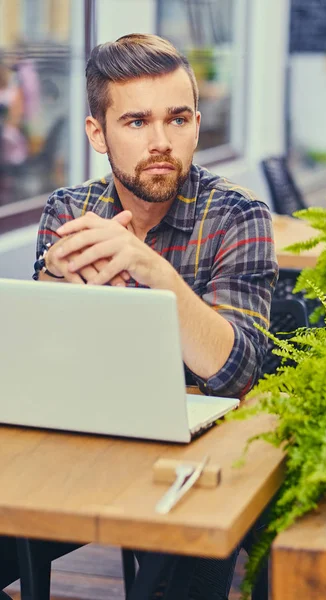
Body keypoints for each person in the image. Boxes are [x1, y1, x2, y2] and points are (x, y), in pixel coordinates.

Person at [0, 34, 278, 599]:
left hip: (198, 472)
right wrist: (54, 285)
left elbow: (240, 369)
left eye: (177, 119)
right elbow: (39, 374)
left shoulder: (238, 216)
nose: (160, 142)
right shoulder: (67, 212)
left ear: (197, 124)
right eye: (135, 122)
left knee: (178, 579)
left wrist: (152, 272)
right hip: (82, 452)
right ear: (97, 133)